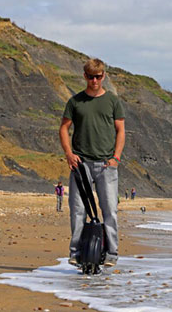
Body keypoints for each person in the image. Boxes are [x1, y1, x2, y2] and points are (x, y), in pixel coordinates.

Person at [59, 58, 125, 268]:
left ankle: (112, 254)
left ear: (103, 76)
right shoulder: (75, 101)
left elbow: (120, 130)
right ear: (85, 76)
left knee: (110, 210)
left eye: (98, 76)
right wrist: (69, 154)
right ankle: (76, 252)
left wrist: (116, 157)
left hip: (106, 164)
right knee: (78, 210)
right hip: (81, 164)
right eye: (90, 76)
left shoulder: (113, 101)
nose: (94, 80)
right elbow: (63, 129)